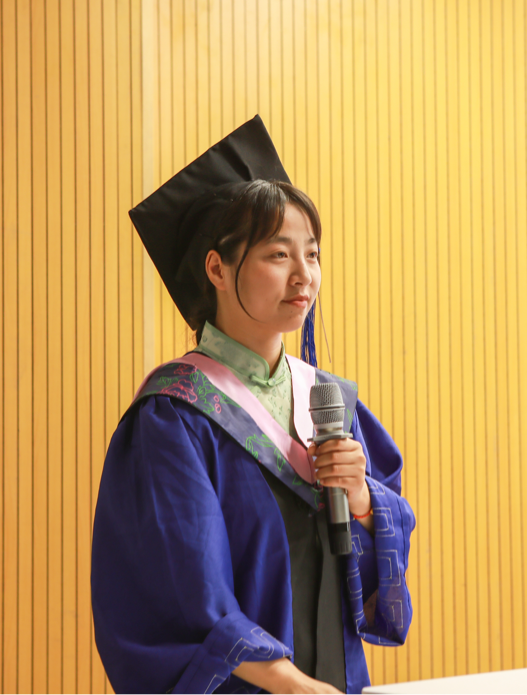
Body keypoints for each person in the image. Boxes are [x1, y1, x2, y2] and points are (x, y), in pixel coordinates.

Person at [91, 116, 415, 695]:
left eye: (312, 254)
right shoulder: (176, 416)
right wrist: (289, 684)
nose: (304, 276)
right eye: (278, 255)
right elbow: (178, 589)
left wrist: (364, 502)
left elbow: (374, 582)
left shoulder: (329, 402)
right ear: (217, 268)